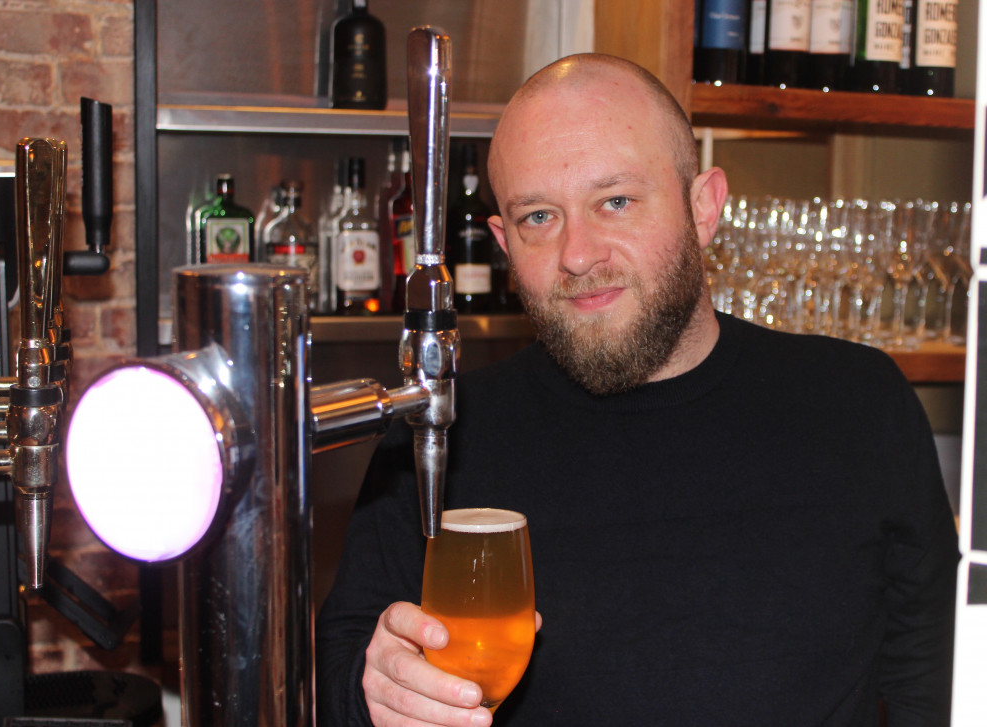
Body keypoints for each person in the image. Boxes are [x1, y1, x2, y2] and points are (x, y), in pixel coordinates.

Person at [317, 53, 958, 726]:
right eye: (539, 216)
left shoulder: (855, 402)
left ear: (704, 207)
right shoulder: (441, 432)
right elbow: (340, 675)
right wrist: (379, 692)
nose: (578, 253)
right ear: (503, 242)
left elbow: (930, 677)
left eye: (615, 201)